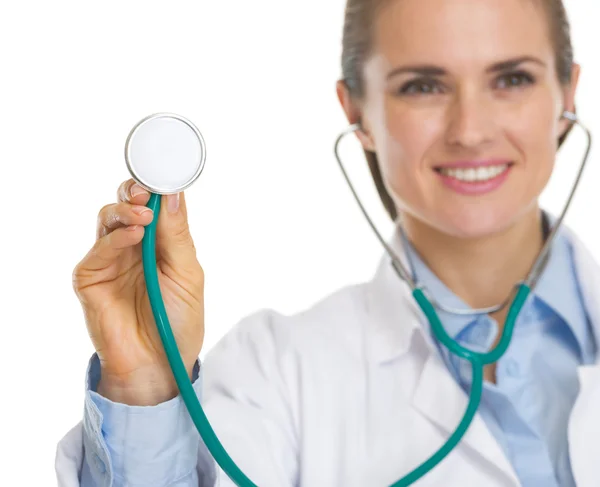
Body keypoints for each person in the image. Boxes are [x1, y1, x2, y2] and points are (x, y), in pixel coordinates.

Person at [55, 0, 599, 485]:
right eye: (423, 86)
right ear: (356, 111)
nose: (471, 129)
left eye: (511, 79)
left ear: (567, 93)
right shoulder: (274, 373)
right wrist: (147, 383)